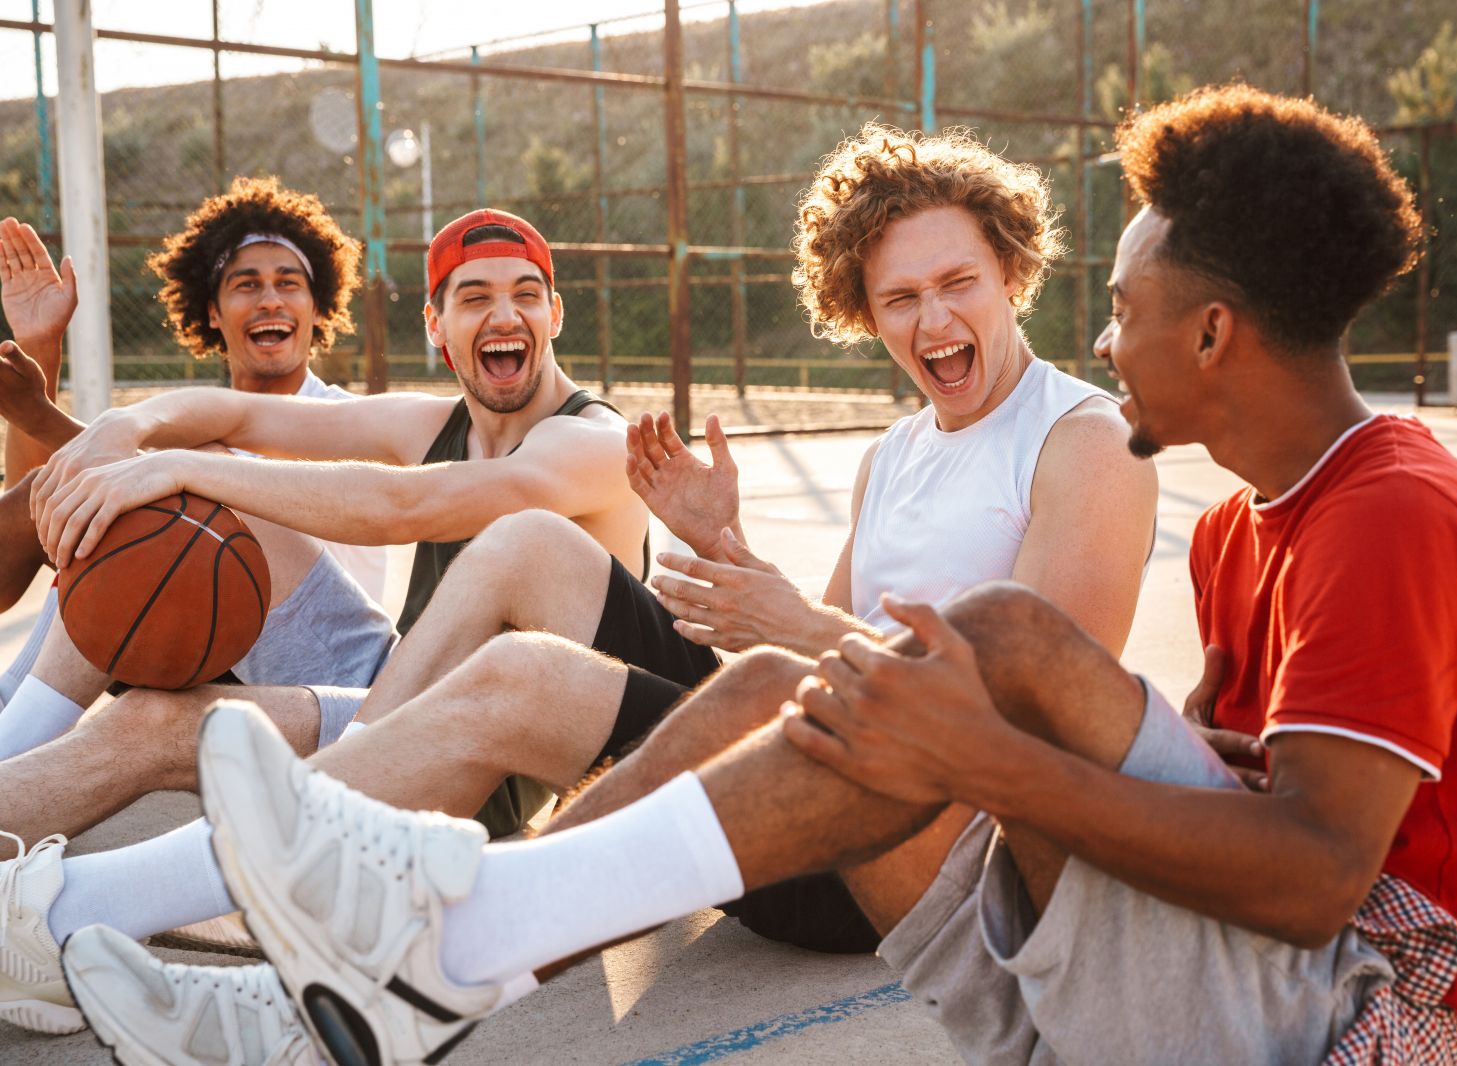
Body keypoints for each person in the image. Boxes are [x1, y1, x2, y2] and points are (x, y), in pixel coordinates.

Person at [76, 87, 1457, 1066]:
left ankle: (415, 928)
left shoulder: (1378, 511)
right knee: (823, 668)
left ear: (1215, 332)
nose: (1108, 341)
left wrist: (973, 742)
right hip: (1183, 934)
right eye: (896, 296)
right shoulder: (1246, 525)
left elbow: (1307, 878)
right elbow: (1209, 761)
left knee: (965, 650)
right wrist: (736, 563)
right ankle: (399, 940)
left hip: (1381, 1015)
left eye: (1119, 309)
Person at [2, 122, 1157, 1054]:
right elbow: (825, 654)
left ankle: (80, 915)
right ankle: (279, 963)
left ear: (1013, 270)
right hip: (810, 772)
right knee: (522, 623)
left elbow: (1033, 726)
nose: (931, 320)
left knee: (530, 580)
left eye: (957, 283)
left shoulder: (1081, 441)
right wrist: (738, 559)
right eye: (898, 299)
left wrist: (786, 618)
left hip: (905, 859)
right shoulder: (895, 452)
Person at [0, 204, 653, 1034]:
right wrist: (128, 428)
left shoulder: (594, 442)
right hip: (389, 697)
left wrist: (163, 464)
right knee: (154, 696)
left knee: (183, 556)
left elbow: (400, 503)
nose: (504, 315)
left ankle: (61, 903)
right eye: (475, 296)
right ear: (438, 325)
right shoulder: (436, 422)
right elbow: (232, 415)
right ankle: (14, 750)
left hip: (483, 757)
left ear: (555, 315)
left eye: (527, 294)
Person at [0, 184, 388, 701]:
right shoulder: (195, 421)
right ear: (212, 311)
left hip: (307, 667)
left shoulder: (345, 417)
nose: (269, 299)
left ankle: (9, 714)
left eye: (288, 284)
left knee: (142, 511)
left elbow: (181, 502)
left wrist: (44, 417)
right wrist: (39, 346)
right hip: (210, 640)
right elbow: (48, 494)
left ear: (318, 309)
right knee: (64, 500)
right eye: (246, 285)